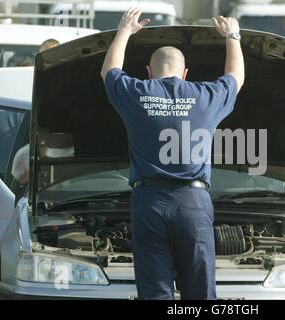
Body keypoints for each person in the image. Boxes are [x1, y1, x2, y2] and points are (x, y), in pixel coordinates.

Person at [100, 8, 244, 300]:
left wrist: (125, 31)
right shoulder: (205, 96)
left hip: (148, 203)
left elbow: (109, 72)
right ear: (185, 74)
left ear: (149, 72)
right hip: (193, 203)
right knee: (200, 293)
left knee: (154, 292)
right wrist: (233, 36)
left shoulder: (137, 92)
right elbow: (236, 77)